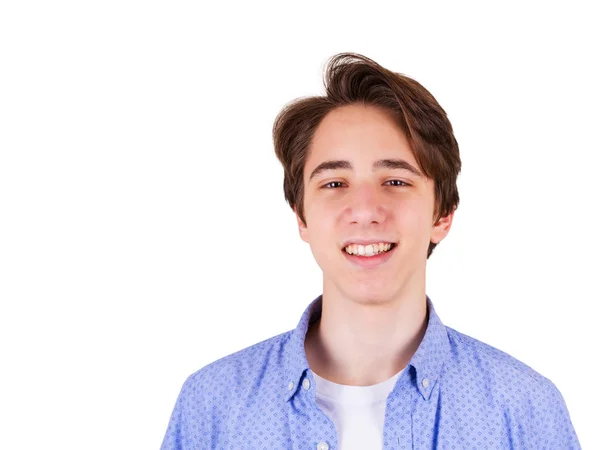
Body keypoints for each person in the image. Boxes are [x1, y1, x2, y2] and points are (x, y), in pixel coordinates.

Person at [160, 53, 580, 450]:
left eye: (396, 181)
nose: (364, 210)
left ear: (443, 214)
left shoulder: (525, 409)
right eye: (334, 183)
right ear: (301, 217)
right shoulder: (212, 405)